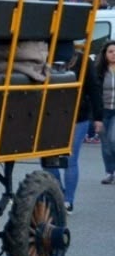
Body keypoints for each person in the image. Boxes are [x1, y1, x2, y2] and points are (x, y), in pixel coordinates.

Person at [46, 52, 102, 213]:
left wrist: (98, 117)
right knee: (48, 160)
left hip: (78, 115)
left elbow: (93, 87)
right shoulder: (43, 56)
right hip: (47, 115)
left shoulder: (83, 60)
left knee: (70, 158)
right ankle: (59, 194)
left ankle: (68, 201)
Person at [98, 41, 115, 185]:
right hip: (103, 111)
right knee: (105, 145)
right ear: (105, 54)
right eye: (110, 51)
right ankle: (110, 172)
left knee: (113, 140)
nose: (114, 54)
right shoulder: (99, 70)